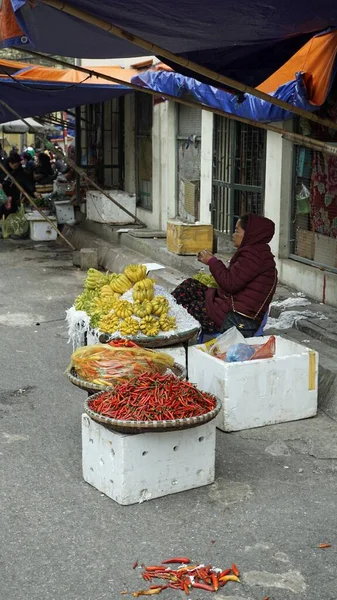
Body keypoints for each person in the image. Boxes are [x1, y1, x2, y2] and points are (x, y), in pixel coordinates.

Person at [172, 214, 278, 336]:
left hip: (233, 319)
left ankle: (162, 328)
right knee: (190, 286)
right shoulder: (257, 252)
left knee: (184, 310)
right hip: (228, 305)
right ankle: (160, 307)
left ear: (249, 234)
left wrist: (212, 261)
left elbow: (230, 284)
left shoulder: (253, 256)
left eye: (237, 231)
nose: (233, 235)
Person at [0, 152, 35, 217]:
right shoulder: (2, 168)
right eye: (15, 166)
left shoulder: (18, 169)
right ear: (10, 163)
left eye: (18, 165)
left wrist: (32, 193)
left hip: (13, 194)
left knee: (13, 210)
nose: (16, 167)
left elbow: (24, 180)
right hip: (3, 194)